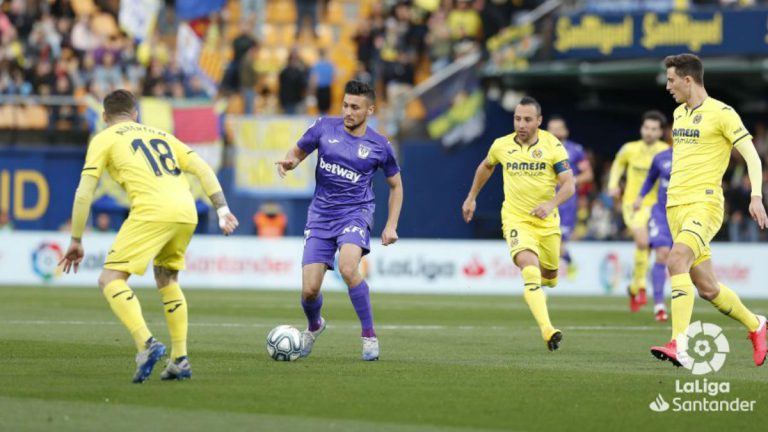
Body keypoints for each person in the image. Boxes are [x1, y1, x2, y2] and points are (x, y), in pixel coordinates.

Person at [58, 89, 239, 383]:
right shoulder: (162, 135)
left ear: (105, 117)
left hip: (152, 210)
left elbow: (84, 192)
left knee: (109, 279)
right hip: (185, 211)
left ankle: (146, 343)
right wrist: (221, 210)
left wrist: (76, 239)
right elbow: (203, 168)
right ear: (136, 114)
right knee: (167, 277)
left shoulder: (103, 138)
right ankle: (179, 359)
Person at [650, 53, 767, 368]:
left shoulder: (723, 113)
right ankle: (757, 324)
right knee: (707, 288)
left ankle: (680, 344)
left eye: (672, 80)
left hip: (705, 204)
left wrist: (756, 196)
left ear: (688, 80)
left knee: (676, 260)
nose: (668, 86)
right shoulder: (679, 114)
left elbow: (753, 157)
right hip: (675, 206)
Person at [275, 80, 403, 361]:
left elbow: (396, 185)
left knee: (347, 267)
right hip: (321, 214)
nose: (348, 111)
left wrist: (391, 224)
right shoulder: (323, 127)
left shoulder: (380, 145)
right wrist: (290, 162)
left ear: (370, 110)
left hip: (355, 213)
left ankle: (369, 336)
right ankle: (314, 325)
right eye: (345, 105)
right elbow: (296, 152)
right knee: (309, 290)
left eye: (355, 107)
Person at [462, 96, 575, 352]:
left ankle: (540, 288)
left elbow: (569, 185)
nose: (521, 124)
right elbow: (486, 166)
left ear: (539, 121)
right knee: (529, 267)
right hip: (516, 219)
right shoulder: (501, 145)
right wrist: (471, 197)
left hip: (546, 222)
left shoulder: (552, 145)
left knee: (550, 277)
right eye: (517, 118)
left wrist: (550, 205)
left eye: (527, 119)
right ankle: (548, 330)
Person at [607, 111, 670, 312]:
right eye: (646, 128)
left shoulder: (666, 152)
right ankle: (641, 286)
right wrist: (613, 184)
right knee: (643, 242)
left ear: (660, 132)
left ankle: (635, 287)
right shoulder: (630, 149)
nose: (649, 132)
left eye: (654, 129)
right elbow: (617, 165)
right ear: (641, 129)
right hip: (632, 205)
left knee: (647, 247)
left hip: (656, 207)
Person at [546, 115, 593, 277]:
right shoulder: (541, 150)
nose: (556, 132)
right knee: (545, 241)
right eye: (552, 128)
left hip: (566, 204)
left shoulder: (575, 150)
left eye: (559, 128)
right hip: (545, 201)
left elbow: (588, 174)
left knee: (557, 242)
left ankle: (567, 262)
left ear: (565, 131)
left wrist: (572, 180)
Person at [634, 146, 673, 322]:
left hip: (684, 214)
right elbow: (650, 179)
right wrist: (640, 196)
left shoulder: (696, 156)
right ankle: (659, 305)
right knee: (662, 253)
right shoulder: (661, 158)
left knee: (682, 262)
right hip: (661, 214)